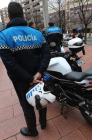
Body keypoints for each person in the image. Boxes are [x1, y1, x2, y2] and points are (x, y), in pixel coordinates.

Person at [0, 2, 50, 137]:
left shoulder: (3, 36)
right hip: (39, 76)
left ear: (9, 16)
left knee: (26, 104)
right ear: (23, 15)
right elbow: (46, 54)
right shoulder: (37, 33)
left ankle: (32, 130)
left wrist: (29, 79)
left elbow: (10, 64)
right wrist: (39, 73)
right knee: (42, 96)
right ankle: (43, 122)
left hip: (20, 79)